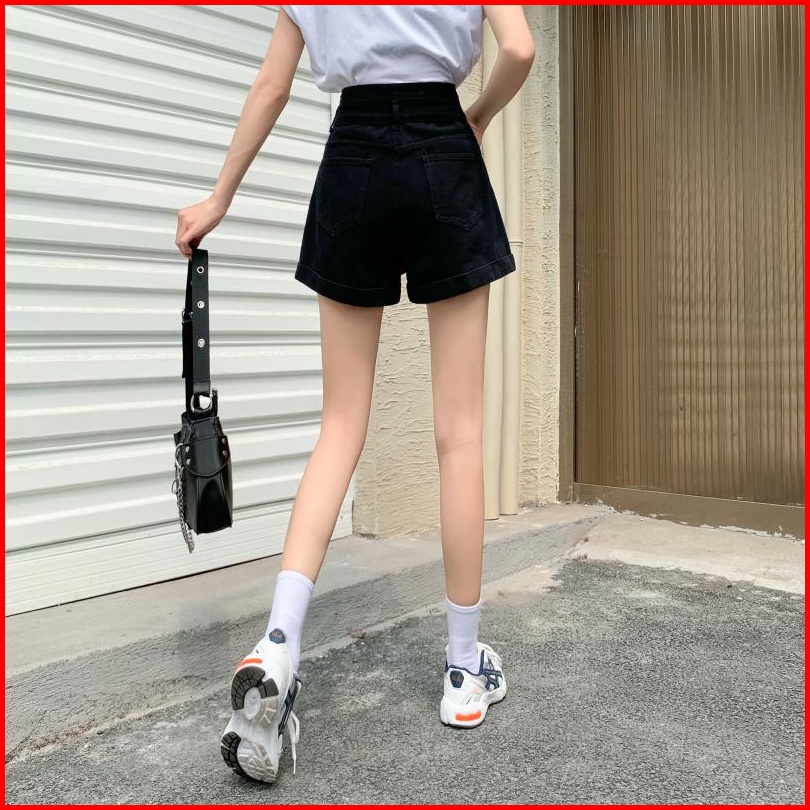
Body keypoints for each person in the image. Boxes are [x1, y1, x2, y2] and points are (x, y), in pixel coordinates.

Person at [175, 5, 536, 784]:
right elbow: (519, 48)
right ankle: (463, 671)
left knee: (340, 428)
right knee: (460, 434)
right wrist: (477, 113)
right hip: (444, 146)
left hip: (354, 156)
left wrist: (218, 199)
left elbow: (272, 87)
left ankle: (277, 644)